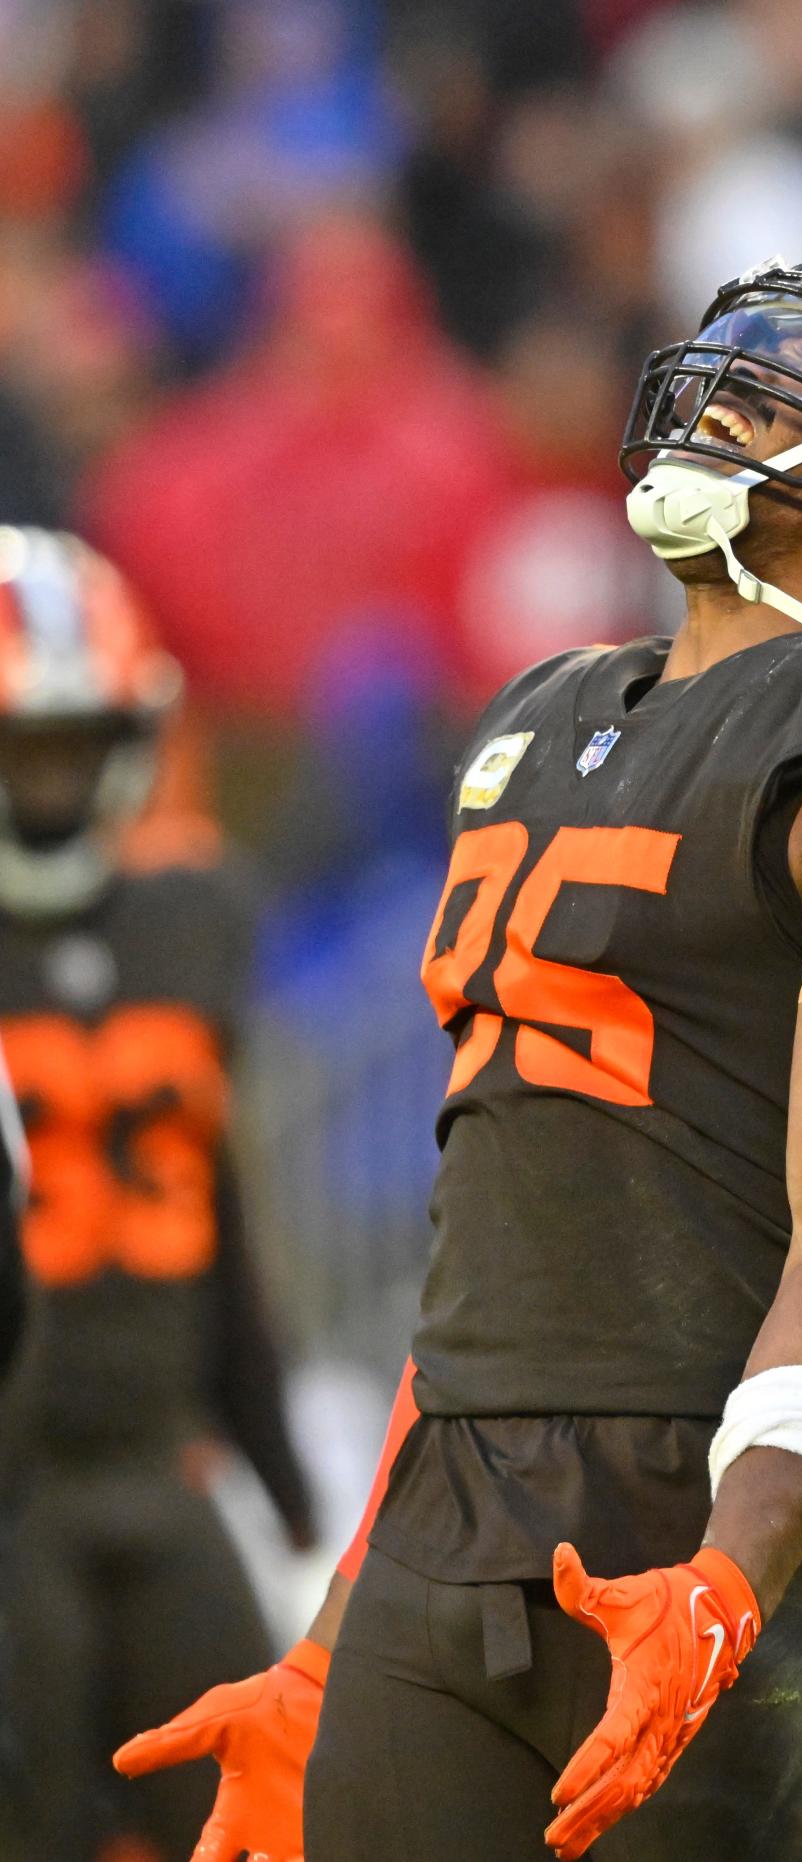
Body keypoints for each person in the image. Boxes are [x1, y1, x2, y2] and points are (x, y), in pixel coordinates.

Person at [117, 243, 802, 1862]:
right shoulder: (544, 721)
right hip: (449, 1558)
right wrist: (336, 1627)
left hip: (731, 1539)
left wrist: (727, 1579)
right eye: (741, 351)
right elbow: (491, 1245)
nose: (729, 388)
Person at [0, 528, 316, 1861]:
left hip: (154, 1453)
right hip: (7, 1488)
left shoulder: (192, 919)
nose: (49, 783)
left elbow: (218, 1211)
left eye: (73, 745)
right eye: (20, 751)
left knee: (262, 1809)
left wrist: (284, 1475)